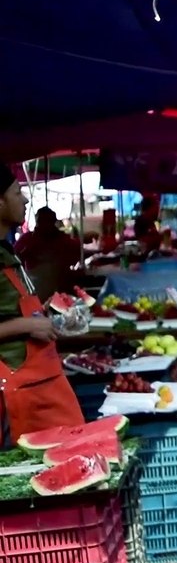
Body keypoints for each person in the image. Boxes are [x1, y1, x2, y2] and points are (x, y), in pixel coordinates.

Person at [0, 169, 84, 448]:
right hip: (16, 389)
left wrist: (45, 314)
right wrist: (28, 325)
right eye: (16, 192)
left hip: (39, 382)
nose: (24, 199)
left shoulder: (8, 250)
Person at [16, 207, 81, 301]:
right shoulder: (27, 239)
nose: (43, 225)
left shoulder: (63, 240)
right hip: (35, 289)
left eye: (47, 221)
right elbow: (15, 258)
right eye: (41, 221)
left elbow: (76, 254)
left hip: (61, 290)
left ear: (52, 222)